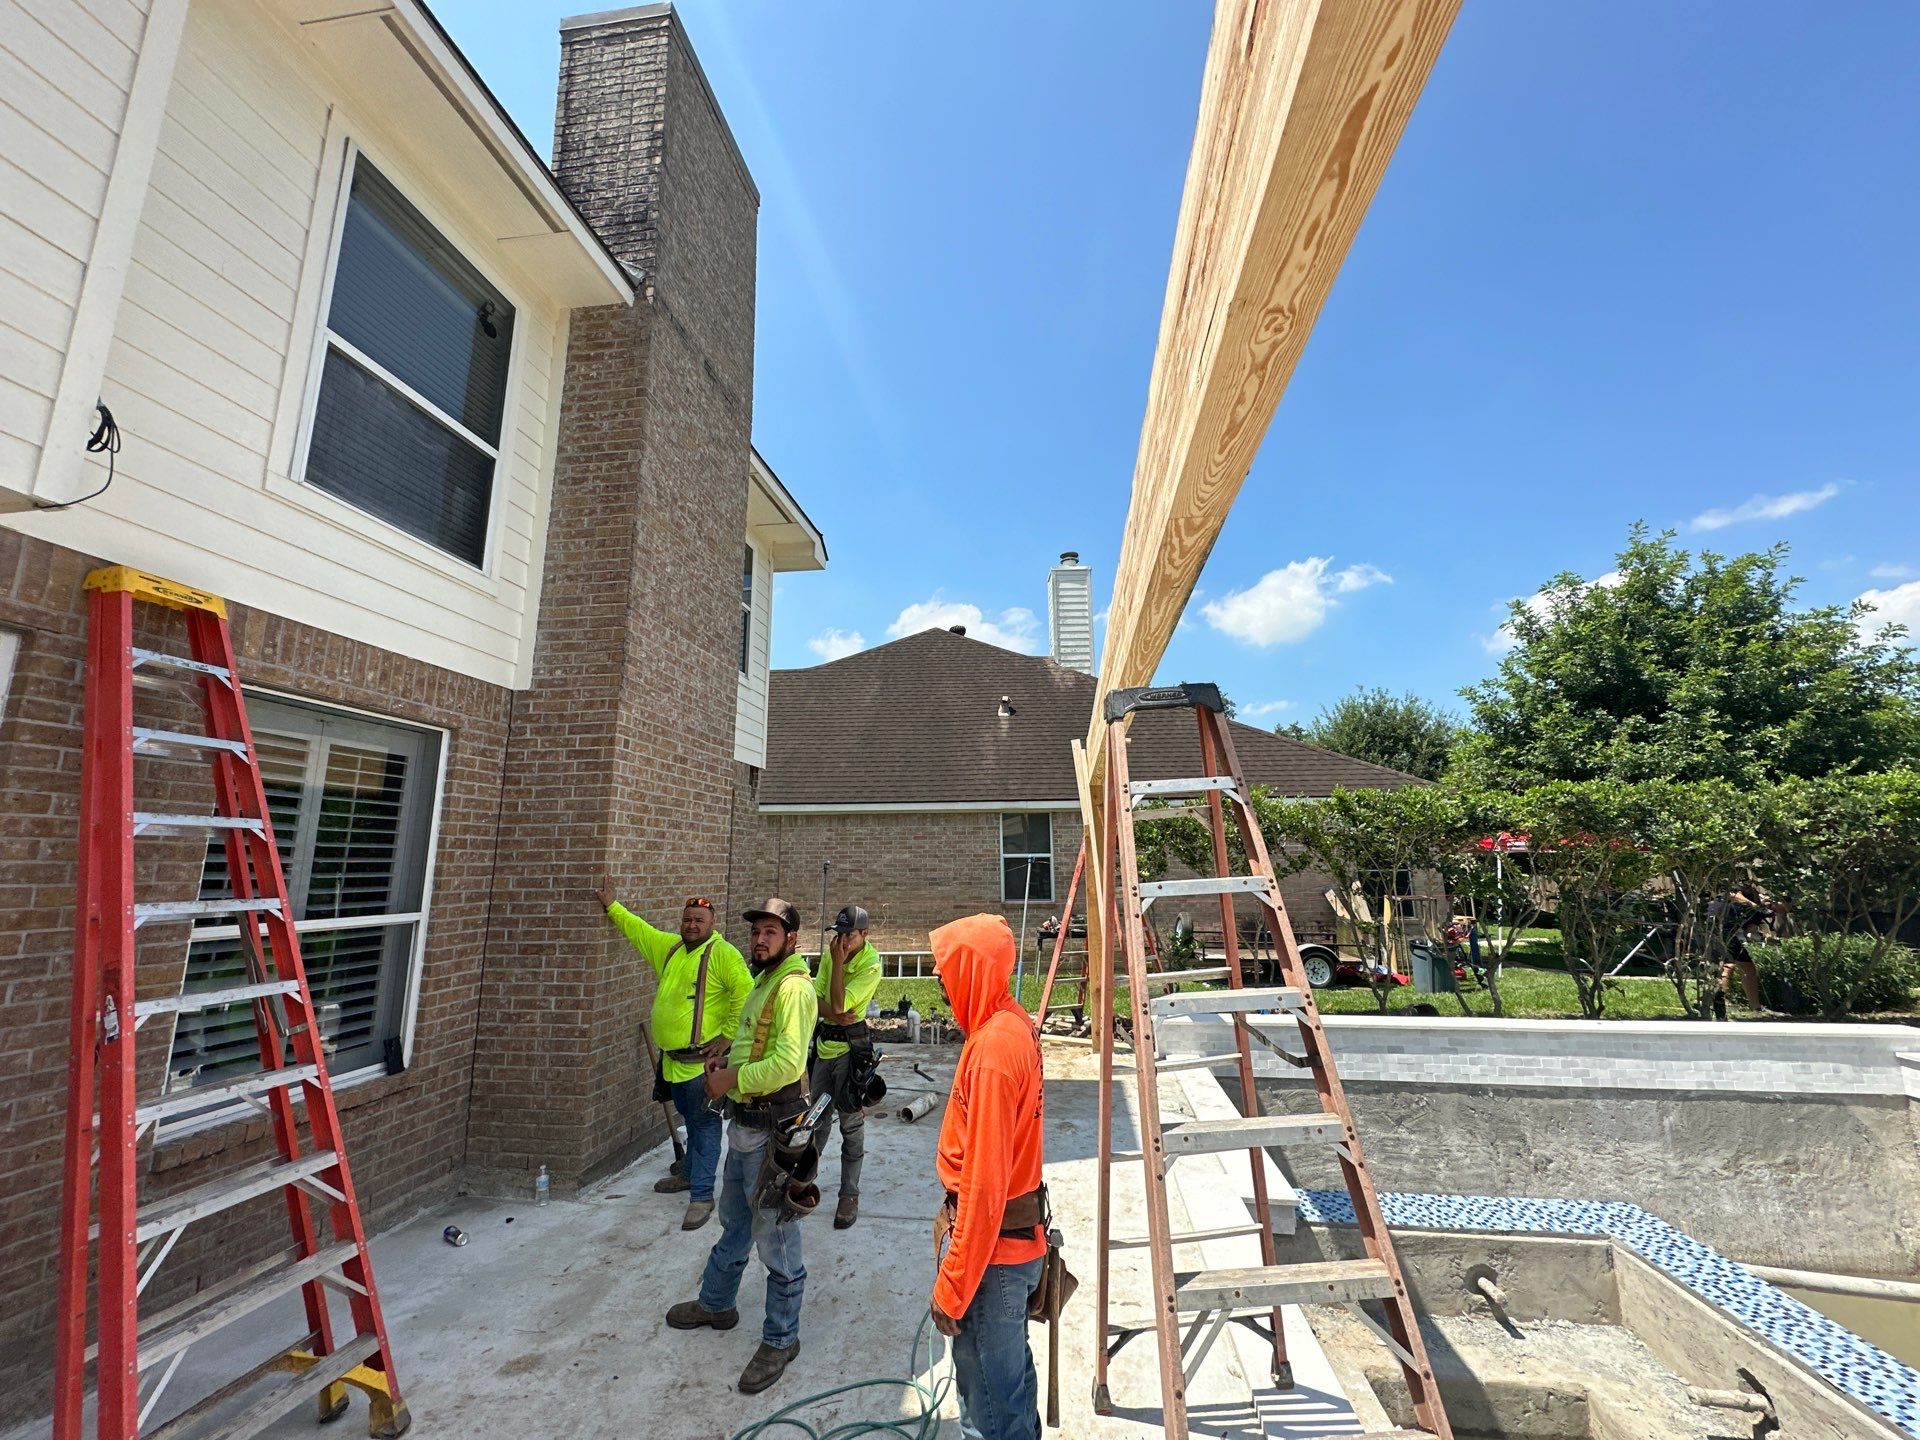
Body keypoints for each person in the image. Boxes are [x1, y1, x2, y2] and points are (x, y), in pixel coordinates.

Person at [667, 897, 819, 1395]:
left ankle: (781, 1338)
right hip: (745, 1127)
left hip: (774, 1136)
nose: (760, 939)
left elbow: (787, 1065)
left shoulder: (793, 988)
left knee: (775, 1238)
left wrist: (729, 1076)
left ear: (791, 939)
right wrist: (724, 1054)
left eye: (771, 932)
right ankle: (717, 1303)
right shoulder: (764, 981)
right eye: (757, 931)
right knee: (735, 1221)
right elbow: (755, 1041)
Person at [928, 915, 1046, 1440]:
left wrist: (952, 1287)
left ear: (971, 972)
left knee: (992, 1406)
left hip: (993, 1259)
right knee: (1009, 1384)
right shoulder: (1008, 1024)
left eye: (945, 973)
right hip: (1009, 1252)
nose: (940, 985)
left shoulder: (994, 1052)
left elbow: (984, 1187)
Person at [595, 879, 751, 1230]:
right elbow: (640, 931)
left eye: (699, 920)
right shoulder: (671, 948)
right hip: (672, 1064)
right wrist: (612, 906)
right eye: (687, 919)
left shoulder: (722, 954)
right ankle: (690, 1174)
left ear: (712, 926)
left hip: (701, 1066)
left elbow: (746, 993)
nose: (691, 925)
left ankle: (701, 1196)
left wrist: (726, 1038)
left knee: (705, 1126)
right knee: (691, 1120)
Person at [810, 904, 884, 1229]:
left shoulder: (871, 964)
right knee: (816, 1120)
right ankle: (803, 1180)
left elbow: (838, 1004)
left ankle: (848, 1194)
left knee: (850, 1125)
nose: (841, 941)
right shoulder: (831, 953)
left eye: (849, 935)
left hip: (851, 1053)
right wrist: (832, 1011)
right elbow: (816, 1001)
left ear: (864, 934)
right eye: (838, 934)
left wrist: (838, 965)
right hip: (824, 1048)